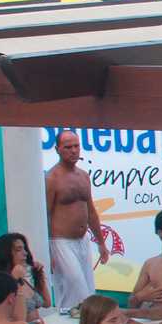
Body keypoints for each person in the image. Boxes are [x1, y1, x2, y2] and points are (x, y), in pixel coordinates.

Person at [46, 130, 107, 306]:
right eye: (68, 147)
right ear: (57, 149)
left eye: (76, 146)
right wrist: (48, 251)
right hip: (61, 242)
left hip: (82, 240)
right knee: (74, 288)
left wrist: (101, 243)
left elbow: (91, 211)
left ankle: (86, 321)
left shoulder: (83, 176)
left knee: (88, 290)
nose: (73, 151)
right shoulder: (52, 178)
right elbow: (45, 214)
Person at [0, 231, 49, 323]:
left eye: (25, 249)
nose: (25, 253)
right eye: (19, 250)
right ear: (6, 254)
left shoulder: (22, 280)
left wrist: (39, 275)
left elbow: (46, 303)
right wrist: (14, 279)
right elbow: (18, 319)